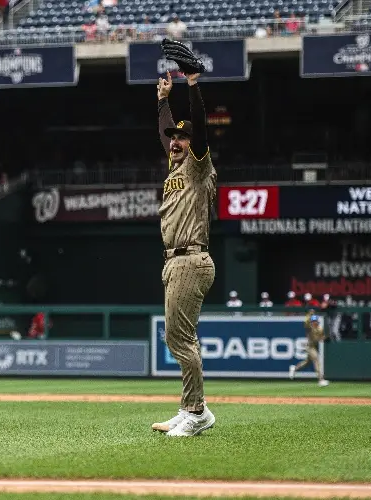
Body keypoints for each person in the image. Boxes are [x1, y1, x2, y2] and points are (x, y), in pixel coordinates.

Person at [151, 71, 217, 437]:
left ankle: (197, 413)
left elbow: (201, 128)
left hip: (191, 258)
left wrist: (192, 84)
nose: (176, 142)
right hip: (176, 261)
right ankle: (189, 407)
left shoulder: (197, 164)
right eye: (173, 137)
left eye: (182, 136)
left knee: (180, 338)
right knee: (177, 337)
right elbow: (168, 139)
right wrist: (163, 101)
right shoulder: (176, 167)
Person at [289, 311, 329, 387]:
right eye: (313, 321)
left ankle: (294, 368)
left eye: (315, 321)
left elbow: (320, 338)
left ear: (318, 321)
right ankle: (321, 380)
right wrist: (309, 314)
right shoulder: (310, 328)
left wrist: (324, 338)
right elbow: (306, 322)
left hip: (314, 347)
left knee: (307, 362)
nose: (314, 322)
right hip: (309, 347)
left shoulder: (320, 329)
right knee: (317, 360)